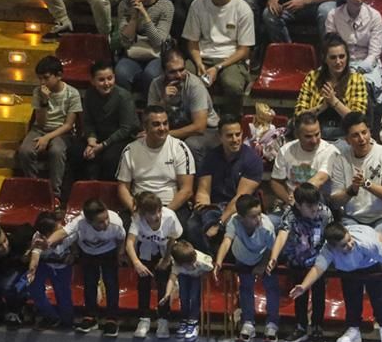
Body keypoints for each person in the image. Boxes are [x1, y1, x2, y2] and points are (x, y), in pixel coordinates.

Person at [290, 221, 382, 342]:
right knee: (351, 298)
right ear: (333, 247)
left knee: (379, 297)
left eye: (349, 239)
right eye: (344, 245)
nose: (350, 245)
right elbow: (318, 268)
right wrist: (304, 286)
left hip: (371, 264)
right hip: (348, 270)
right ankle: (353, 330)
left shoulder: (366, 243)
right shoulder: (328, 250)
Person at [45, 198, 125, 336]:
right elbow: (63, 233)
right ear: (89, 221)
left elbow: (121, 239)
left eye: (106, 218)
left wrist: (119, 255)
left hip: (109, 253)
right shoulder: (80, 222)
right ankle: (91, 316)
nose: (105, 223)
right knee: (89, 283)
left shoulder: (116, 223)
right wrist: (47, 242)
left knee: (111, 283)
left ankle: (112, 318)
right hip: (88, 253)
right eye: (100, 222)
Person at [268, 182, 334, 342]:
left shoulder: (325, 213)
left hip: (317, 262)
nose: (314, 209)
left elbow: (331, 235)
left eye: (316, 204)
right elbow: (283, 234)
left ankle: (317, 326)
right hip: (297, 259)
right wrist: (274, 257)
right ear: (298, 204)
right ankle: (301, 327)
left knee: (319, 294)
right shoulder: (290, 214)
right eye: (309, 206)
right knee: (299, 294)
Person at [187, 118, 266, 254]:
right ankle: (208, 261)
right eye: (229, 135)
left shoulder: (253, 160)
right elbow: (203, 191)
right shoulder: (211, 157)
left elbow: (240, 198)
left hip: (240, 208)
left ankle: (220, 262)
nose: (235, 139)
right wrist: (203, 208)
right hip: (215, 205)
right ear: (220, 137)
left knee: (228, 228)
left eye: (238, 134)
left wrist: (219, 223)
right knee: (192, 225)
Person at [213, 195, 282, 342]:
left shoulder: (267, 227)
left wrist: (262, 266)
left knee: (271, 287)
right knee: (245, 287)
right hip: (242, 257)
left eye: (259, 214)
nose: (258, 219)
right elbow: (226, 242)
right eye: (253, 216)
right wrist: (218, 261)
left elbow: (272, 250)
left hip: (263, 256)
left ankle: (272, 324)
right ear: (241, 217)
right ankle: (248, 323)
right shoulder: (234, 221)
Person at [183, 0, 255, 102]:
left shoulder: (243, 9)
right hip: (202, 56)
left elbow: (244, 50)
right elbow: (192, 42)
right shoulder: (197, 4)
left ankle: (231, 120)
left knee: (232, 85)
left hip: (231, 59)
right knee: (183, 79)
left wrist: (217, 67)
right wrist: (199, 64)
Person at [329, 113, 382, 244]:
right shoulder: (340, 160)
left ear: (370, 132)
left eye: (364, 132)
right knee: (349, 242)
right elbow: (335, 202)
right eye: (355, 135)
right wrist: (351, 191)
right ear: (346, 140)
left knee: (374, 240)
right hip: (353, 218)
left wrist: (366, 183)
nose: (362, 139)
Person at [16, 56, 81, 203]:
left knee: (56, 151)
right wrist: (44, 102)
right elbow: (40, 122)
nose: (42, 82)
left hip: (62, 132)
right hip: (40, 129)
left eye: (46, 78)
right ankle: (35, 188)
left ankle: (54, 195)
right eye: (40, 78)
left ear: (59, 75)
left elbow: (69, 125)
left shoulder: (72, 93)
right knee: (25, 151)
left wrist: (48, 138)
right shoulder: (38, 92)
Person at [117, 106, 197, 223]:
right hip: (140, 207)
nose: (162, 128)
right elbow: (122, 188)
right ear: (145, 127)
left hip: (171, 206)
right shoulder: (130, 150)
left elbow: (187, 190)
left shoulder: (180, 148)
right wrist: (135, 210)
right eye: (156, 124)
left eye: (165, 123)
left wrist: (163, 214)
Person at [147, 48, 222, 163]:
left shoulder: (194, 85)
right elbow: (149, 119)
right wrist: (163, 101)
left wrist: (165, 134)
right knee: (145, 140)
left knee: (192, 144)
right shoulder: (156, 85)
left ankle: (199, 179)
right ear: (163, 72)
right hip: (176, 130)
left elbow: (199, 127)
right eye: (172, 72)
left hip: (209, 131)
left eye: (182, 70)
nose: (179, 75)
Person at [126, 191, 182, 338]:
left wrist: (166, 259)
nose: (156, 216)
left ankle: (163, 320)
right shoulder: (137, 218)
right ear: (143, 213)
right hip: (145, 252)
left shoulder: (169, 216)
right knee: (143, 284)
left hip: (164, 252)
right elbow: (130, 243)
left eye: (158, 211)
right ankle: (144, 319)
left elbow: (173, 239)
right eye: (151, 214)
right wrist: (136, 263)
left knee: (163, 285)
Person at [294, 34, 369, 141]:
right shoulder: (312, 77)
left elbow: (357, 120)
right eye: (333, 57)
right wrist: (322, 107)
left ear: (347, 57)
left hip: (345, 135)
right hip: (316, 135)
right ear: (325, 59)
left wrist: (334, 102)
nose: (338, 62)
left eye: (342, 56)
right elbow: (299, 116)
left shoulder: (357, 79)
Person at [115, 0, 174, 94]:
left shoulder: (166, 5)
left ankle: (152, 107)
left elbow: (158, 41)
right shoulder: (125, 5)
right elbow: (124, 41)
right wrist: (134, 17)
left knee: (151, 75)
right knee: (121, 73)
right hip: (132, 54)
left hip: (156, 55)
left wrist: (145, 15)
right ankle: (127, 109)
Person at [78, 60, 139, 183]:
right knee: (76, 152)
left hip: (122, 138)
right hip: (99, 137)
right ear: (93, 81)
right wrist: (91, 141)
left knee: (109, 158)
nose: (106, 83)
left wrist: (102, 146)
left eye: (110, 78)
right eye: (101, 80)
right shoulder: (90, 94)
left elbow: (126, 129)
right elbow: (87, 121)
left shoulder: (124, 96)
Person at [324, 0, 382, 93]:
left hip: (366, 64)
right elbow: (331, 47)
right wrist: (343, 67)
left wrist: (357, 70)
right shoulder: (333, 15)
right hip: (340, 62)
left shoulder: (375, 16)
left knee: (361, 86)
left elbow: (374, 54)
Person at [269, 112, 336, 207]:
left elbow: (320, 179)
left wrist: (298, 197)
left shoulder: (330, 151)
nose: (314, 140)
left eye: (317, 134)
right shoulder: (285, 150)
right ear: (297, 135)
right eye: (308, 136)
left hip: (319, 206)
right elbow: (276, 181)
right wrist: (290, 201)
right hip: (292, 205)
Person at [26, 211, 73, 330]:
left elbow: (78, 244)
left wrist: (74, 253)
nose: (61, 228)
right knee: (34, 287)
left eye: (60, 225)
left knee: (63, 294)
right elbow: (35, 256)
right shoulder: (38, 239)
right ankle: (51, 317)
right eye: (58, 229)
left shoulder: (69, 233)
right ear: (47, 235)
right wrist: (32, 269)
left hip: (62, 268)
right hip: (44, 265)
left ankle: (67, 320)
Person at [160, 239, 213, 341]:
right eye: (189, 264)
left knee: (194, 297)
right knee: (183, 297)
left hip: (197, 276)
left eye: (193, 262)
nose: (193, 265)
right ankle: (184, 320)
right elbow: (172, 278)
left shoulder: (203, 261)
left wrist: (203, 274)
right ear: (180, 264)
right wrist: (167, 294)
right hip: (184, 276)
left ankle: (193, 322)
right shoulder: (177, 265)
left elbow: (210, 270)